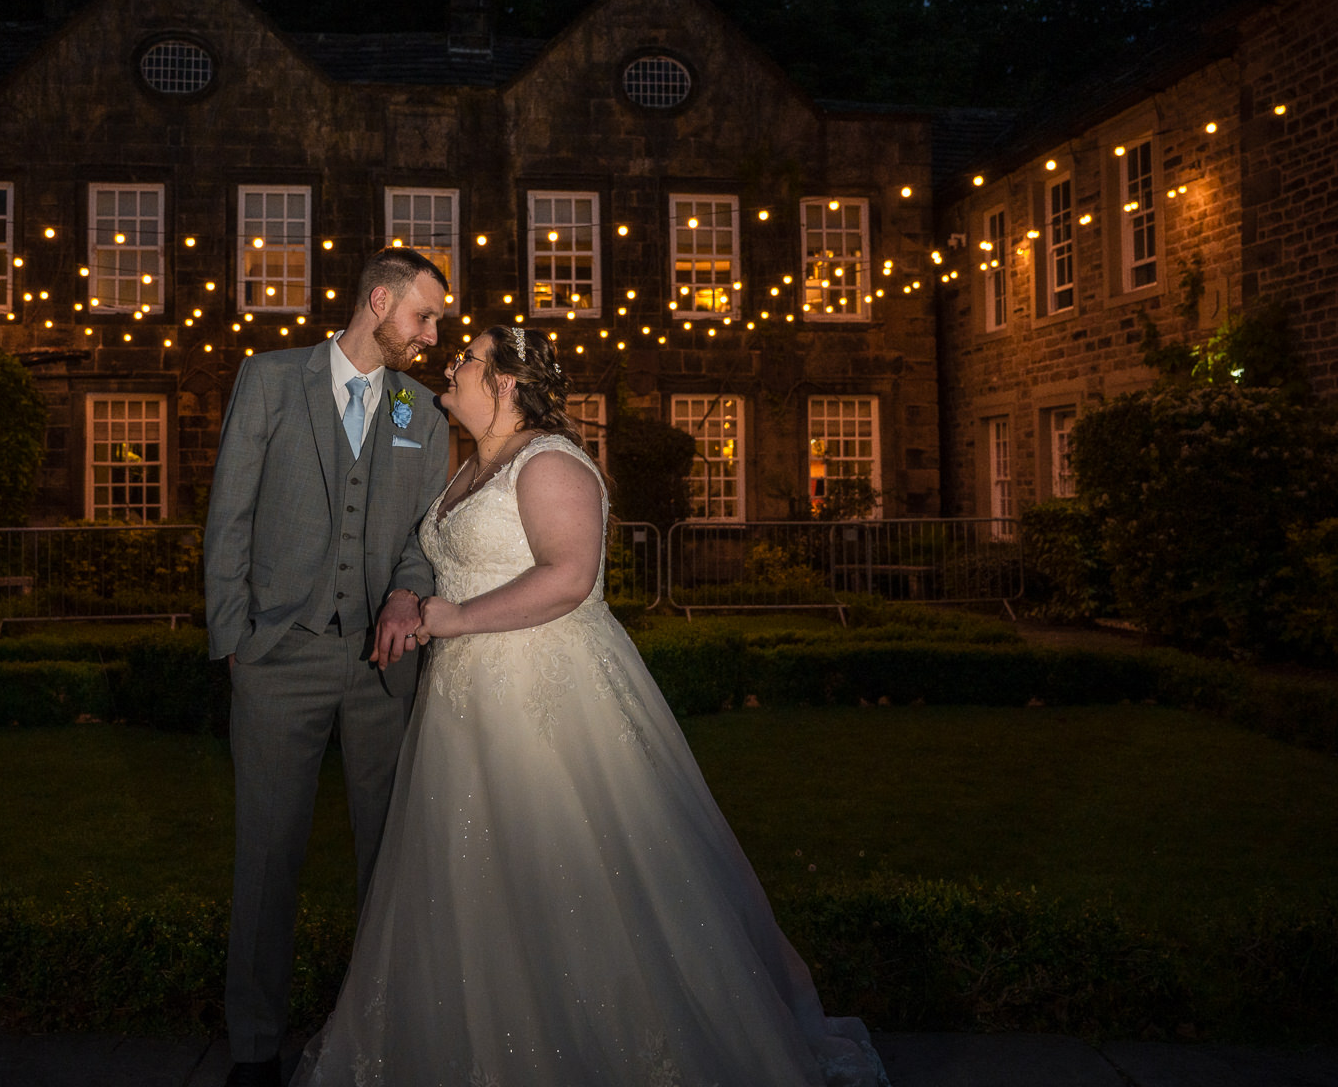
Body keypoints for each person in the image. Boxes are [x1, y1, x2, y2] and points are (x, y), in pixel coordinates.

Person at [291, 325, 890, 1087]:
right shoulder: (470, 467)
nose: (452, 365)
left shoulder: (549, 462)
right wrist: (413, 594)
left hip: (549, 697)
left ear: (506, 383)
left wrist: (457, 619)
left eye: (467, 358)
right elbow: (442, 558)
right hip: (464, 703)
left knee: (573, 870)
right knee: (471, 878)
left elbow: (570, 577)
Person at [205, 248, 453, 1087]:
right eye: (421, 317)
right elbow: (228, 514)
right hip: (278, 660)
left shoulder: (424, 410)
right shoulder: (270, 380)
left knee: (388, 860)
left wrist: (405, 598)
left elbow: (429, 538)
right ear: (377, 300)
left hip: (384, 670)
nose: (429, 337)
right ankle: (251, 1048)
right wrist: (235, 639)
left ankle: (381, 1038)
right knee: (267, 857)